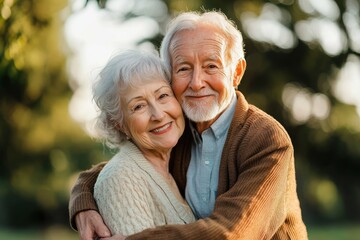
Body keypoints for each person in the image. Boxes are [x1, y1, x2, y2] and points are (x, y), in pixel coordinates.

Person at [69, 10, 308, 240]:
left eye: (211, 66)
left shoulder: (266, 138)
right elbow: (126, 169)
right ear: (171, 75)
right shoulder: (179, 130)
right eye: (183, 68)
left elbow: (233, 233)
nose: (196, 83)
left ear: (236, 72)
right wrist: (82, 200)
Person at [87, 49, 195, 237]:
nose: (158, 114)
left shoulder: (179, 161)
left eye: (162, 96)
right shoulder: (121, 178)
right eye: (138, 106)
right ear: (119, 124)